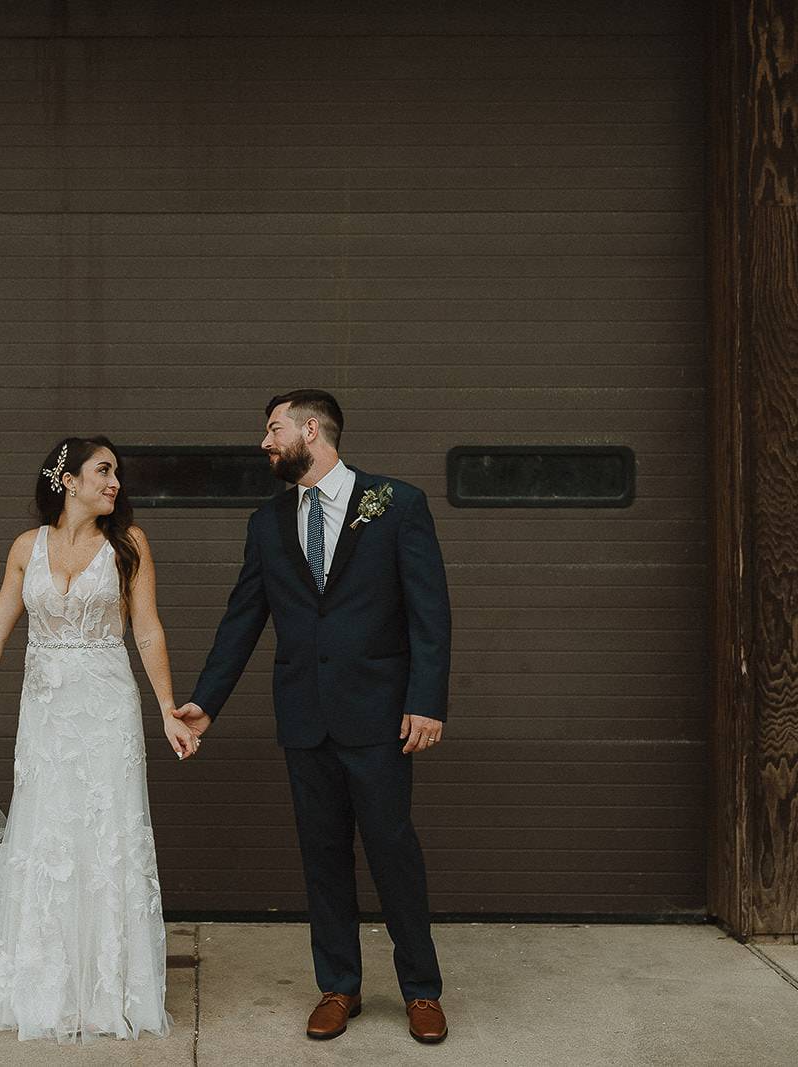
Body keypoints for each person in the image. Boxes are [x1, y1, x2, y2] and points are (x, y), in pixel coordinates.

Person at [173, 390, 452, 1044]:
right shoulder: (266, 522)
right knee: (321, 854)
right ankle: (339, 985)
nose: (264, 443)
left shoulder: (397, 504)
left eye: (272, 429)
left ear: (310, 429)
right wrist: (205, 701)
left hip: (381, 716)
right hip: (304, 717)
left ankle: (422, 988)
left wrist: (427, 699)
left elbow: (429, 613)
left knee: (392, 850)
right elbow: (243, 619)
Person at [0, 436, 199, 1043]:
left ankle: (106, 988)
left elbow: (146, 631)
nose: (115, 482)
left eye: (117, 473)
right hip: (45, 715)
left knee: (105, 834)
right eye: (103, 470)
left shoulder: (128, 544)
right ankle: (44, 982)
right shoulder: (24, 548)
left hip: (108, 711)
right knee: (47, 833)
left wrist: (169, 707)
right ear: (67, 480)